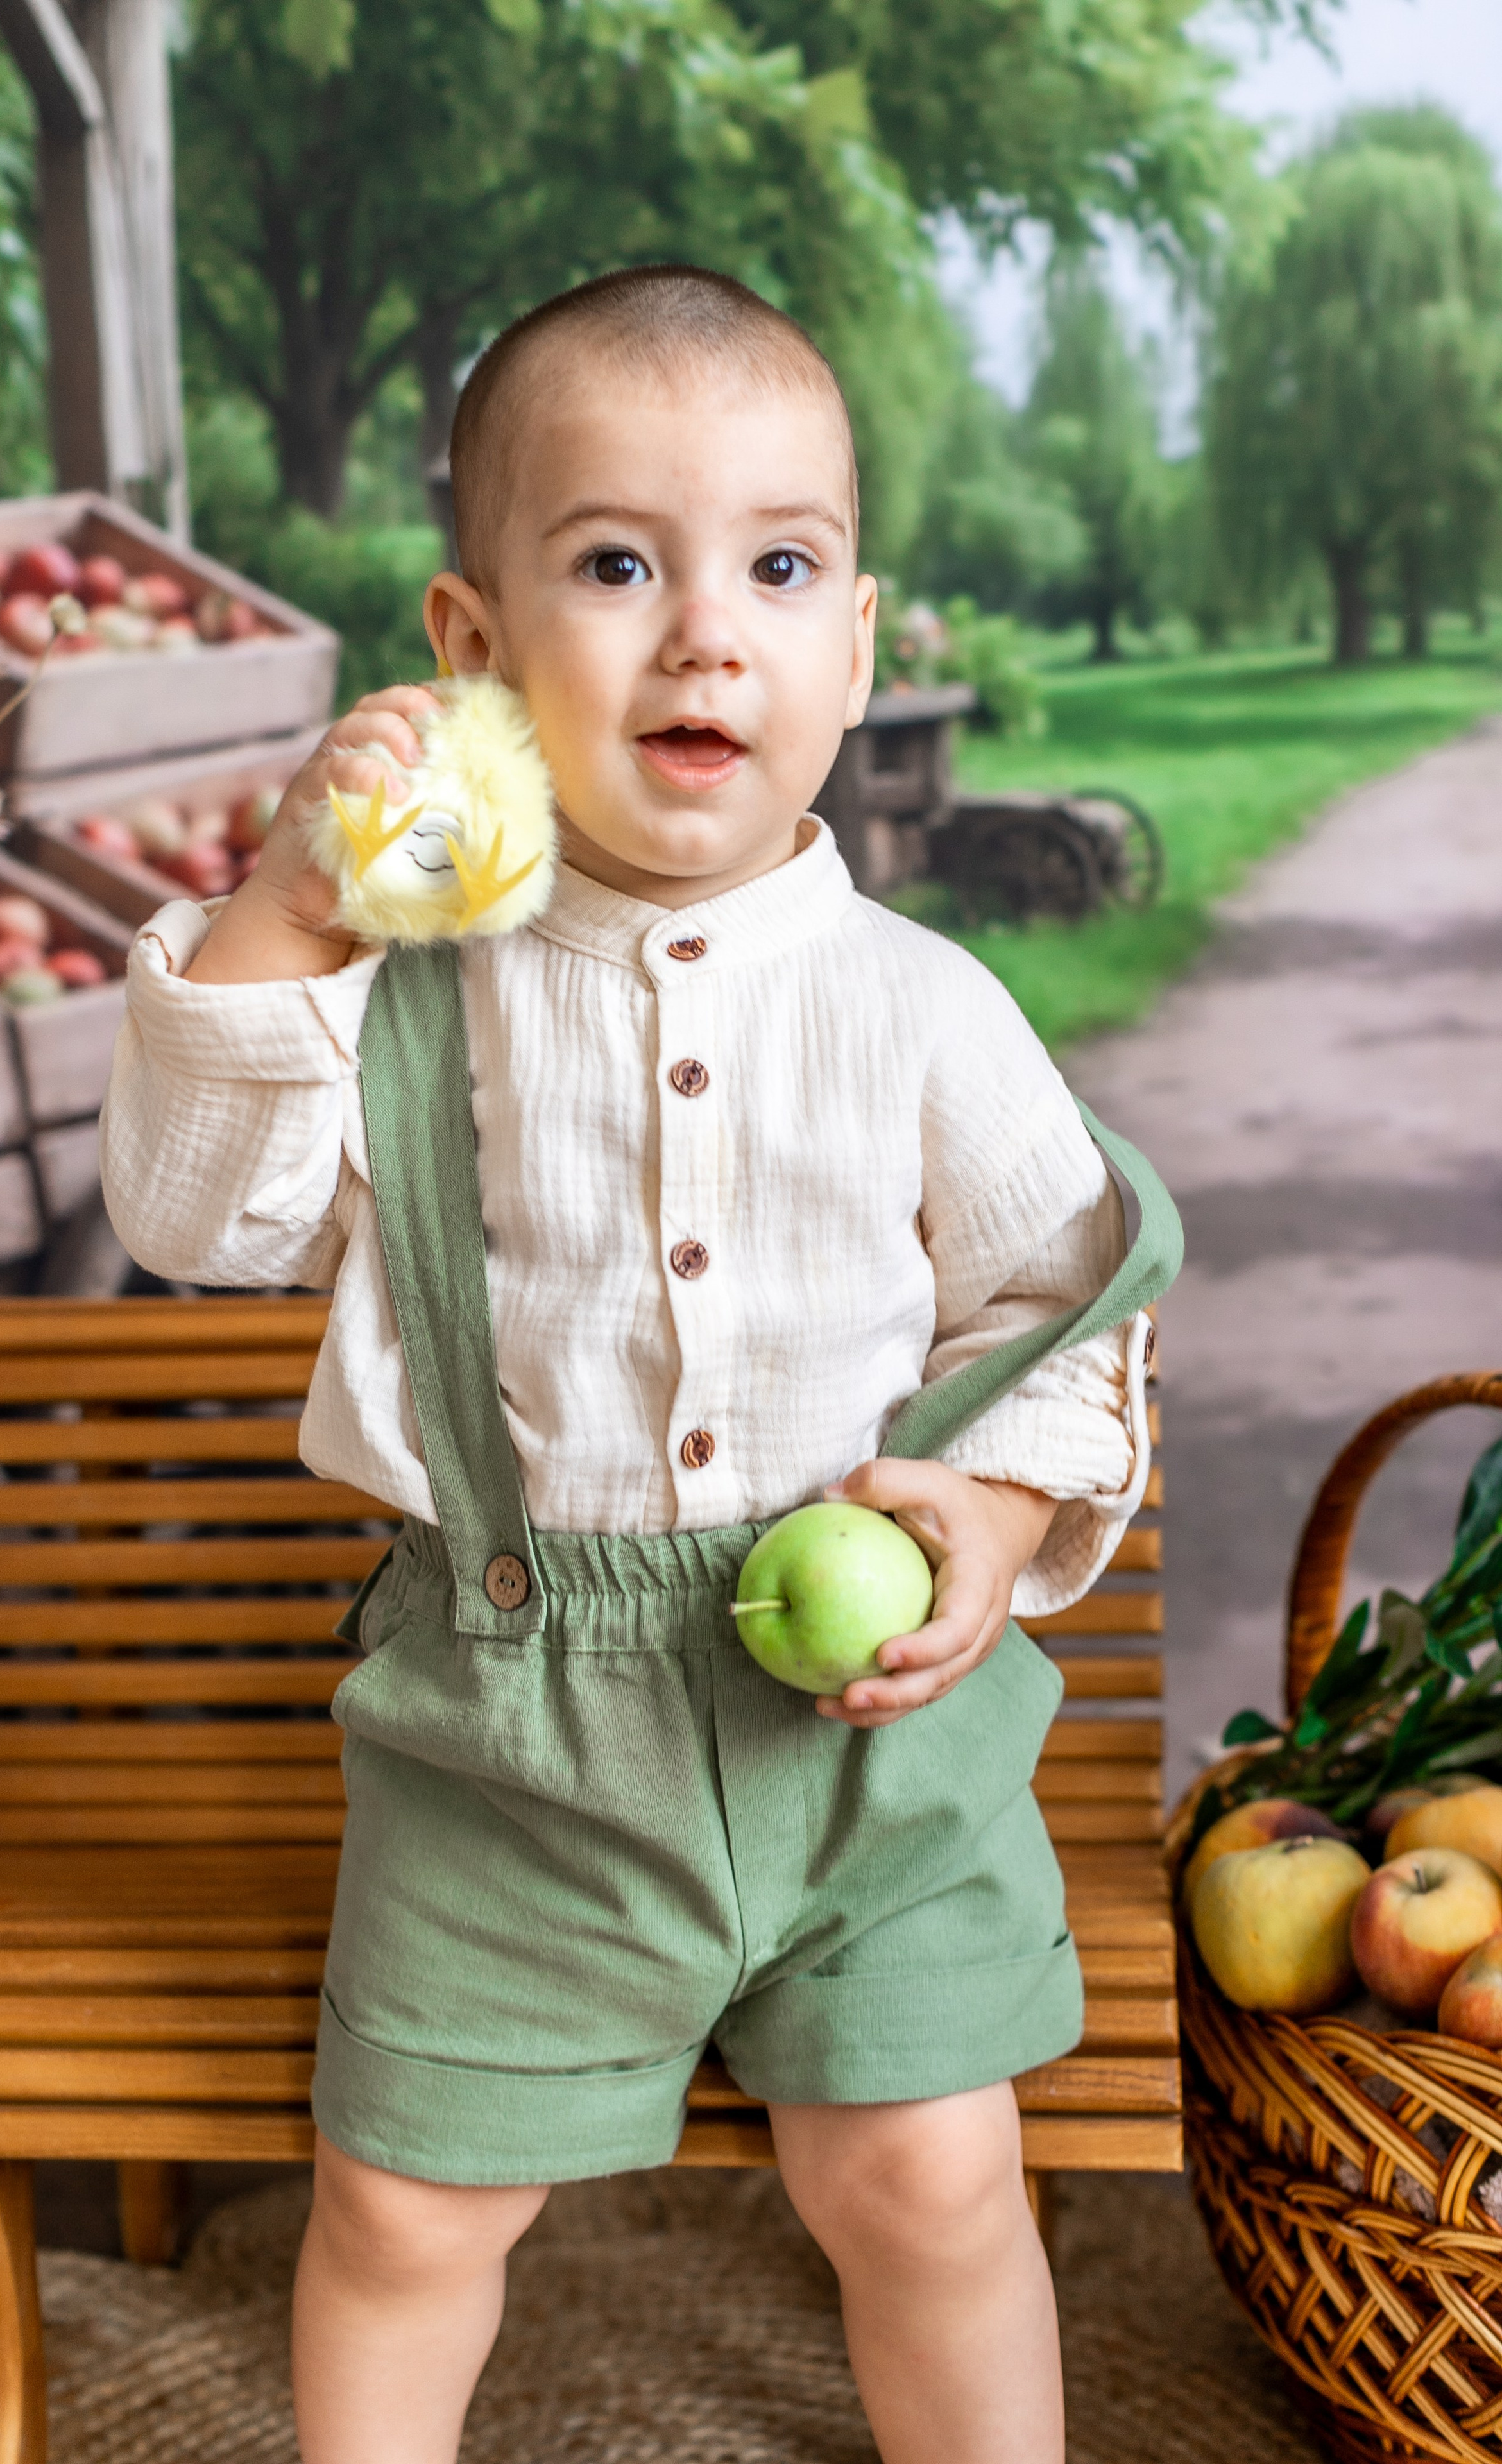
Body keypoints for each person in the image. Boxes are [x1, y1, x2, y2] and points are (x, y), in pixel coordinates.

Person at [101, 263, 1178, 2464]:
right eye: (617, 564)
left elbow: (1066, 1294)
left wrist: (982, 1503)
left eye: (778, 569)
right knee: (405, 2214)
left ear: (855, 650)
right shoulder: (413, 986)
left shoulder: (919, 1006)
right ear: (475, 654)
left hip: (868, 1749)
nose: (709, 634)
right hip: (507, 1726)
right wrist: (298, 914)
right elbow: (195, 1223)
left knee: (934, 2179)